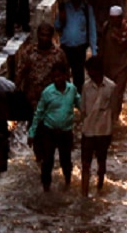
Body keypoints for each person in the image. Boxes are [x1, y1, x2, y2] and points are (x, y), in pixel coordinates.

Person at [27, 63, 80, 191]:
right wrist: (32, 133)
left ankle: (68, 183)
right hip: (49, 131)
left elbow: (80, 104)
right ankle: (46, 188)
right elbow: (39, 113)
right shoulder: (47, 92)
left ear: (65, 76)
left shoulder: (72, 89)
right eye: (55, 77)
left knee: (66, 161)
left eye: (60, 76)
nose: (58, 79)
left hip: (66, 132)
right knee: (47, 161)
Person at [14, 22, 70, 116]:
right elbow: (19, 74)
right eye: (42, 35)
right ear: (38, 35)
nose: (44, 38)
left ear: (51, 36)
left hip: (52, 102)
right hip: (32, 102)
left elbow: (66, 76)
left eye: (47, 35)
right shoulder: (29, 52)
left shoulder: (59, 55)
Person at [79, 55, 116, 198]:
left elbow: (114, 109)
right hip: (88, 131)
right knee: (86, 164)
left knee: (102, 162)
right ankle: (84, 193)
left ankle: (100, 186)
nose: (89, 74)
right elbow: (83, 108)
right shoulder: (86, 87)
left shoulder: (111, 87)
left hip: (104, 131)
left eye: (91, 71)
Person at [55, 0, 98, 92]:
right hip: (65, 48)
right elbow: (57, 27)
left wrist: (94, 51)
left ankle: (78, 101)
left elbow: (92, 30)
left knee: (79, 77)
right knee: (63, 76)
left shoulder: (87, 9)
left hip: (80, 48)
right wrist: (61, 17)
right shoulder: (64, 7)